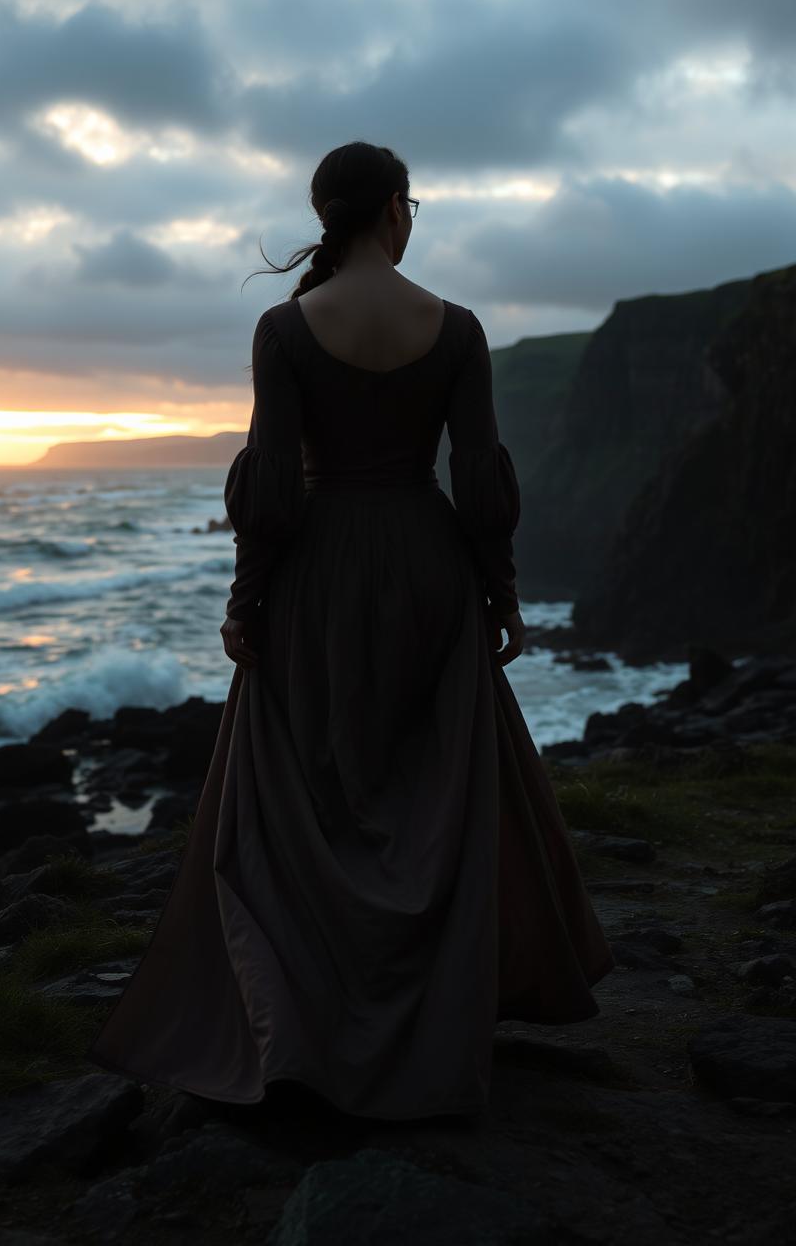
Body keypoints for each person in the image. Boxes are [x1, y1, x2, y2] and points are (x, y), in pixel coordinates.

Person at [85, 141, 616, 1121]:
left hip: (320, 572)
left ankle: (307, 1023)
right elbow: (481, 475)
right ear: (395, 212)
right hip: (424, 562)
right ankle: (437, 1012)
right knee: (428, 791)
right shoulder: (453, 328)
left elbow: (274, 487)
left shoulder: (285, 329)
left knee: (314, 798)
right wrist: (498, 590)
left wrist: (247, 602)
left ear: (330, 214)